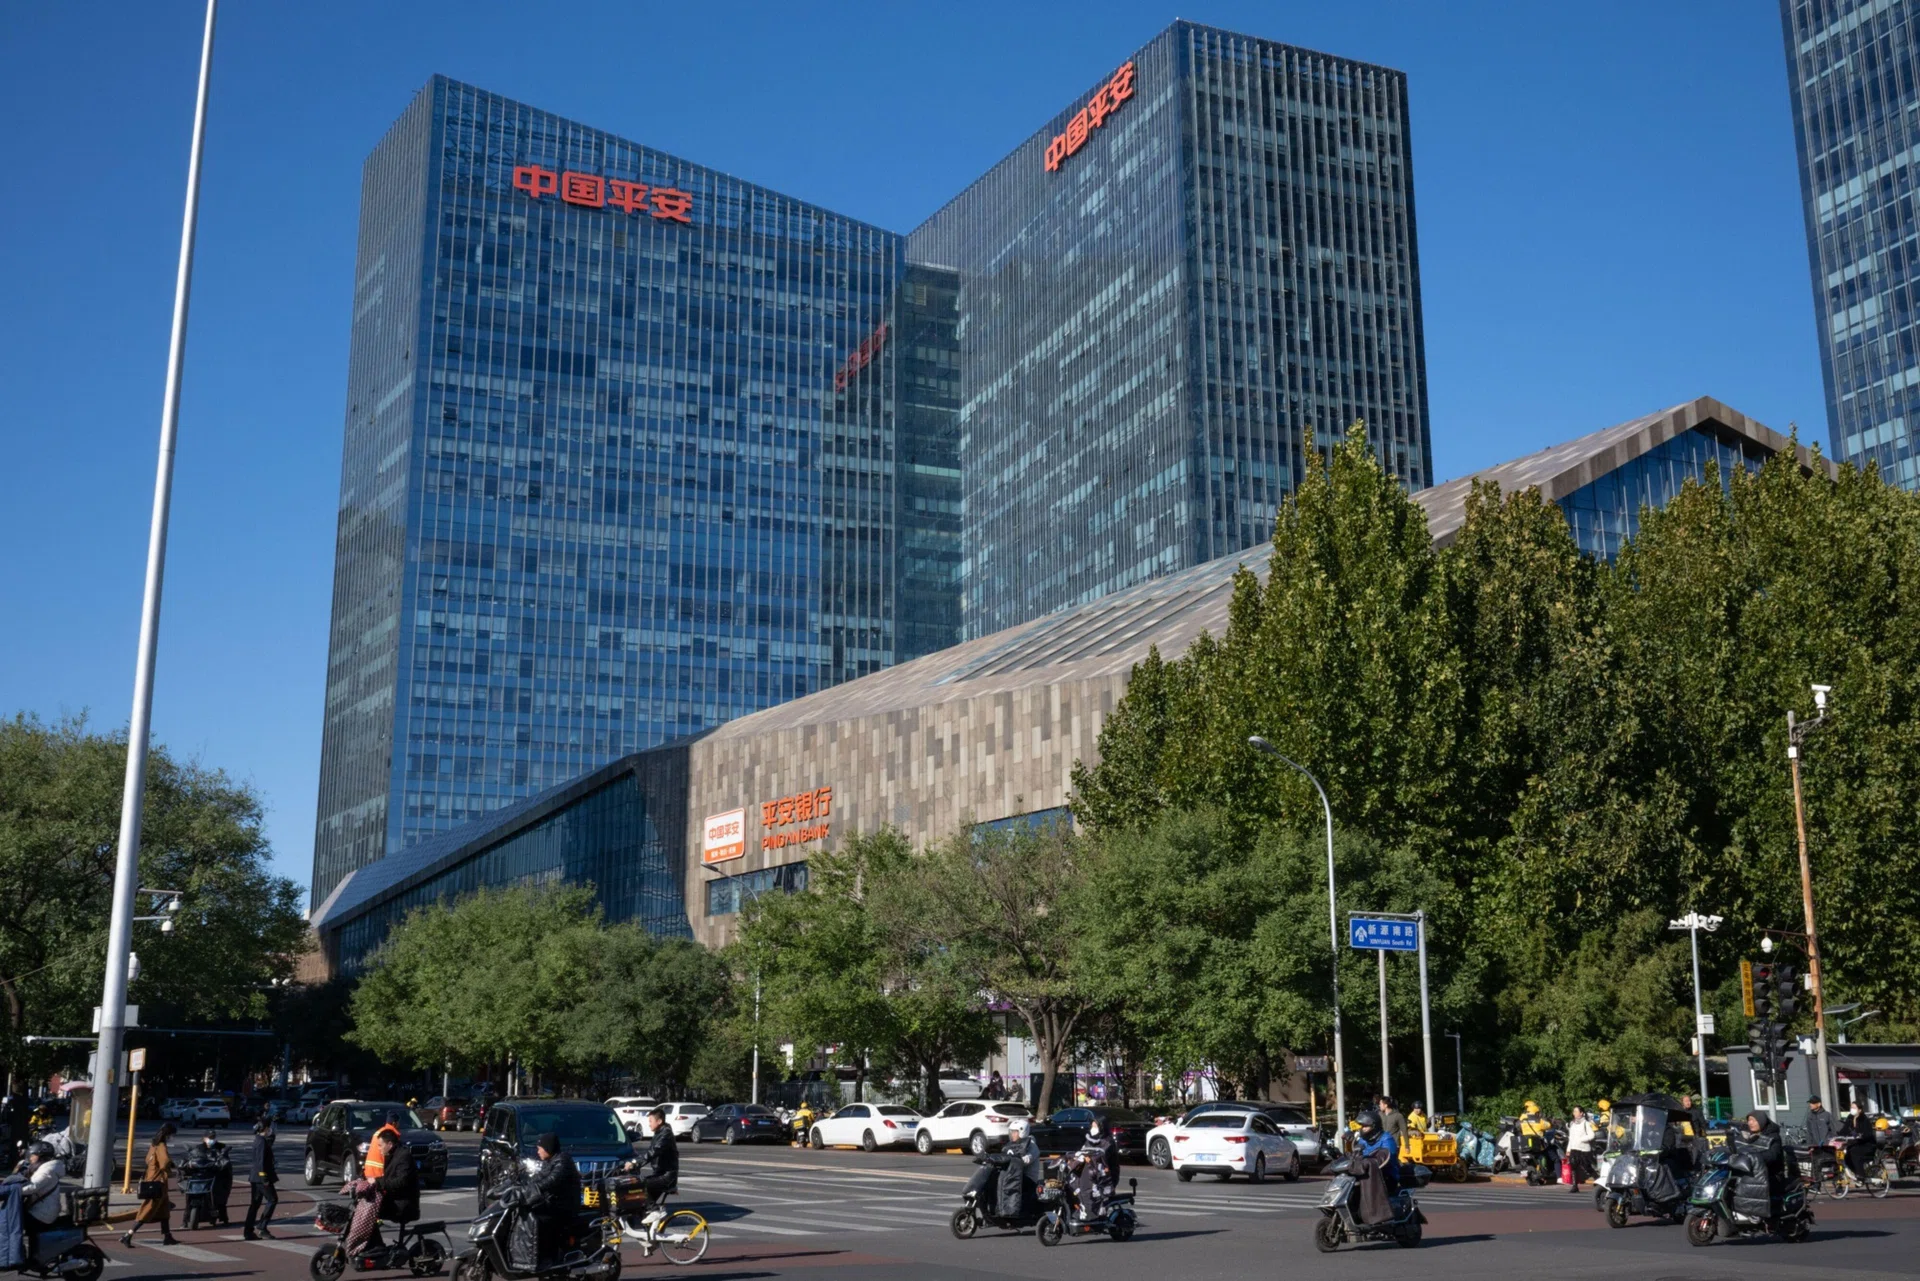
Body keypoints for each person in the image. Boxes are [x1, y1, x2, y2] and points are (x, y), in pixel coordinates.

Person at [121, 1124, 179, 1247]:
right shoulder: (161, 1145)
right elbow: (164, 1163)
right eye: (172, 1135)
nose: (172, 1138)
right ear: (168, 1134)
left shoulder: (154, 1144)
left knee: (164, 1211)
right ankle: (128, 1235)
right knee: (147, 1209)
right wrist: (171, 1168)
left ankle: (167, 1236)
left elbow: (148, 1160)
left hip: (153, 1180)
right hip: (157, 1183)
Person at [527, 1132, 580, 1266]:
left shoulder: (562, 1161)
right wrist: (524, 1184)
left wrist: (535, 1187)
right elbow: (540, 1176)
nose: (538, 1151)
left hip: (564, 1205)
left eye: (540, 1148)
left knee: (538, 1219)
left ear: (548, 1148)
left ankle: (548, 1257)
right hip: (553, 1202)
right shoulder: (550, 1161)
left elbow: (552, 1180)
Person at [1349, 1109, 1400, 1224]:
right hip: (1367, 1172)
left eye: (1365, 1126)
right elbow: (1357, 1152)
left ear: (1374, 1126)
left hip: (1386, 1175)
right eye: (1362, 1126)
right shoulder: (1364, 1139)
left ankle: (1375, 1216)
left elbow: (1387, 1156)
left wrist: (1372, 1160)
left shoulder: (1386, 1138)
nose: (1362, 1129)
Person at [627, 1108, 678, 1218]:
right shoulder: (659, 1133)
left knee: (639, 1186)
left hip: (666, 1176)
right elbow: (649, 1153)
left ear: (659, 1121)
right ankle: (651, 1222)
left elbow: (653, 1152)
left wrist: (635, 1163)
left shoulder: (666, 1134)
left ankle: (655, 1210)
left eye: (650, 1121)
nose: (649, 1124)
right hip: (660, 1174)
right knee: (641, 1205)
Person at [16, 1141, 65, 1249]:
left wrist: (12, 1190)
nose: (30, 1158)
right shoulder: (42, 1168)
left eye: (33, 1155)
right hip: (39, 1208)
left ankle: (20, 1254)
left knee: (13, 1223)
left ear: (41, 1157)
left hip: (42, 1213)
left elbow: (32, 1187)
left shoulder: (47, 1171)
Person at [1071, 1117, 1119, 1220]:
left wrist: (1090, 1158)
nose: (1093, 1128)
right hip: (1090, 1173)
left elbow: (1100, 1157)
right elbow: (1083, 1152)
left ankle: (1096, 1216)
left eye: (1095, 1126)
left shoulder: (1108, 1142)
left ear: (1101, 1127)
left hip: (1105, 1176)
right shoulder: (1089, 1140)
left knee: (1095, 1194)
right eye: (1092, 1126)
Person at [242, 1117, 279, 1240]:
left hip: (255, 1177)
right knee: (272, 1199)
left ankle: (248, 1231)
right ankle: (262, 1227)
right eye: (270, 1127)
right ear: (267, 1128)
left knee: (255, 1204)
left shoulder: (259, 1139)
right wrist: (264, 1179)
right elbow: (260, 1162)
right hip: (261, 1178)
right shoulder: (262, 1141)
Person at [195, 1129, 233, 1227]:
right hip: (204, 1175)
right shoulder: (199, 1148)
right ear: (204, 1138)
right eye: (209, 1137)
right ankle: (187, 1219)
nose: (211, 1140)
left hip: (217, 1175)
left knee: (220, 1196)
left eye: (213, 1137)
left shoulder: (221, 1147)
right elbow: (195, 1158)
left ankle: (223, 1217)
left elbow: (225, 1161)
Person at [1841, 1098, 1878, 1183]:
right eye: (1851, 1107)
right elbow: (1845, 1129)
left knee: (1854, 1152)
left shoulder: (1864, 1119)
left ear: (1860, 1110)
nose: (1852, 1109)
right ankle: (1856, 1173)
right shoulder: (1850, 1118)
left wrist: (1860, 1135)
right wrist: (1838, 1135)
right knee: (1846, 1156)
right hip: (1856, 1144)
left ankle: (1861, 1175)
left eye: (1854, 1108)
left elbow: (1868, 1133)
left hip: (1867, 1145)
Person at [1804, 1096, 1835, 1189]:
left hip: (1827, 1145)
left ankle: (1838, 1186)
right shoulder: (1809, 1116)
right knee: (1816, 1164)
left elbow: (1833, 1130)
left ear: (1819, 1104)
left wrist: (1830, 1140)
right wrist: (1810, 1145)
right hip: (1815, 1145)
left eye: (1813, 1103)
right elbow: (1809, 1132)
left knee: (1832, 1164)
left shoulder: (1827, 1115)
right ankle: (1817, 1185)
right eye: (1810, 1103)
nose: (1811, 1105)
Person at [363, 1111, 404, 1180]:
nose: (399, 1125)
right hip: (380, 1172)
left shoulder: (379, 1132)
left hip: (369, 1171)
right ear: (394, 1123)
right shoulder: (391, 1134)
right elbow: (393, 1155)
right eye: (398, 1123)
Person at [1565, 1106, 1596, 1194]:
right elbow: (1571, 1138)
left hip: (1584, 1149)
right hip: (1574, 1148)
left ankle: (1597, 1180)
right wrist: (1568, 1149)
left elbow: (1592, 1135)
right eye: (1573, 1111)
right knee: (1573, 1167)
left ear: (1581, 1113)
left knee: (1587, 1167)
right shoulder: (1572, 1123)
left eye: (1576, 1111)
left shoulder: (1586, 1123)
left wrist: (1581, 1139)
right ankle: (1575, 1186)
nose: (1574, 1113)